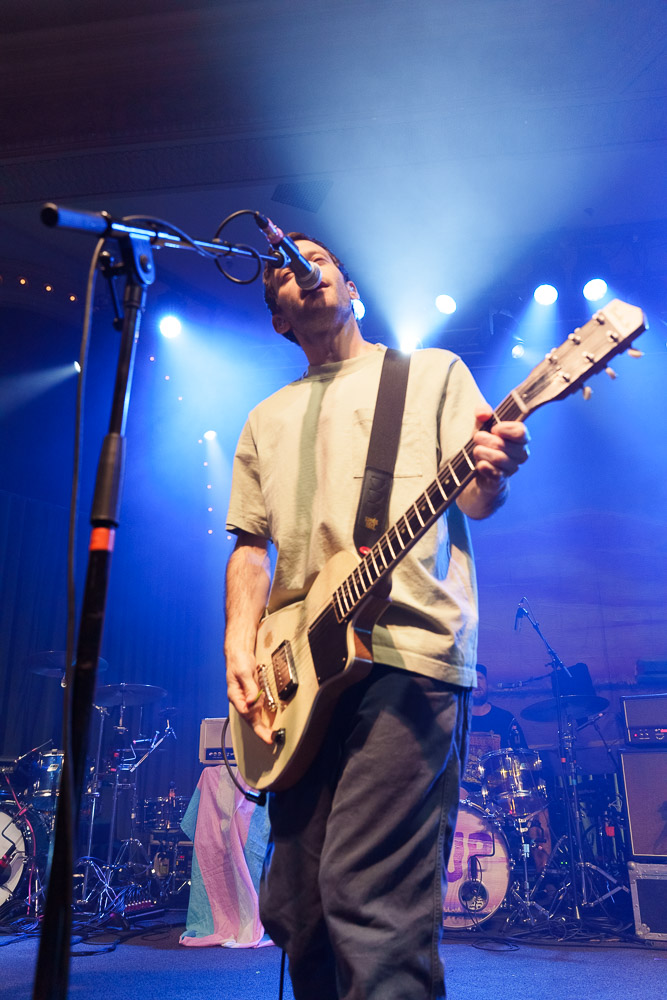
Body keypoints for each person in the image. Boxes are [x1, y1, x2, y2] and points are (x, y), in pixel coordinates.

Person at [224, 233, 530, 999]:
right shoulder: (264, 418)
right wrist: (240, 643)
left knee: (370, 900)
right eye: (280, 271)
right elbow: (250, 550)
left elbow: (476, 496)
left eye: (315, 258)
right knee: (295, 908)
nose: (300, 269)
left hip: (407, 652)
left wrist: (494, 472)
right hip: (298, 676)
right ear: (277, 321)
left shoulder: (428, 374)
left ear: (349, 286)